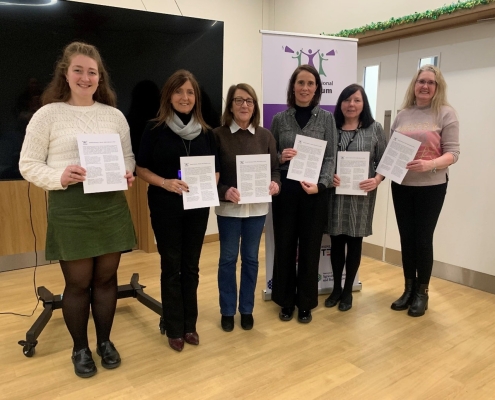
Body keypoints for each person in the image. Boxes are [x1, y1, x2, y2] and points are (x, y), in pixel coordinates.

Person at [19, 42, 136, 378]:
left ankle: (104, 342)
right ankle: (80, 348)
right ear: (66, 74)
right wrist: (59, 175)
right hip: (71, 207)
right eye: (79, 70)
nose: (86, 77)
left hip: (111, 205)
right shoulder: (48, 114)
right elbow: (28, 164)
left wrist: (126, 172)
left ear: (100, 78)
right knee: (77, 284)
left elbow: (127, 157)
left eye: (92, 72)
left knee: (106, 279)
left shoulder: (114, 115)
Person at [136, 70, 219, 351]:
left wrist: (209, 182)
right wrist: (165, 182)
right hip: (165, 205)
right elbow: (141, 168)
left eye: (190, 92)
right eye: (179, 91)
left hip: (196, 207)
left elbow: (216, 169)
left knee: (191, 266)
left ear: (196, 98)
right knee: (171, 266)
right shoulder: (154, 129)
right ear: (169, 95)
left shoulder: (206, 132)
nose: (185, 97)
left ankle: (189, 325)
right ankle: (173, 325)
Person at [390, 65, 460, 317]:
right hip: (401, 185)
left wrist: (429, 164)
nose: (425, 86)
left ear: (437, 87)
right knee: (406, 239)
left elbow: (453, 153)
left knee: (422, 239)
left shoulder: (445, 113)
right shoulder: (402, 115)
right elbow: (392, 151)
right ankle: (408, 289)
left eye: (431, 82)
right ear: (414, 84)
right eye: (421, 81)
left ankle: (422, 292)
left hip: (431, 186)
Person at [270, 64, 338, 323]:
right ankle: (285, 302)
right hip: (286, 189)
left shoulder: (327, 119)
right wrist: (280, 155)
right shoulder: (279, 119)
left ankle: (306, 302)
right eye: (301, 83)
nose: (305, 88)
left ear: (317, 88)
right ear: (293, 86)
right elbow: (271, 158)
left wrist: (320, 185)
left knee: (310, 247)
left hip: (313, 192)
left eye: (310, 83)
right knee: (285, 245)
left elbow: (331, 157)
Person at [213, 84, 280, 332]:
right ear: (230, 105)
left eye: (249, 101)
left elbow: (275, 169)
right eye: (239, 100)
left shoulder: (265, 136)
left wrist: (275, 184)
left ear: (255, 107)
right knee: (228, 260)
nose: (244, 105)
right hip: (229, 209)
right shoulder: (217, 135)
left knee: (251, 260)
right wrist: (224, 191)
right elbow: (211, 173)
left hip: (257, 209)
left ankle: (247, 309)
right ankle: (228, 310)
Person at [324, 84, 386, 311]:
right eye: (347, 100)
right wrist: (329, 176)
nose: (351, 105)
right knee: (337, 242)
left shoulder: (375, 128)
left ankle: (348, 289)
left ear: (363, 104)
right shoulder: (331, 127)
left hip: (362, 194)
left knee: (355, 242)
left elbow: (384, 161)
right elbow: (322, 158)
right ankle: (336, 289)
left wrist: (377, 179)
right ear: (340, 103)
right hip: (335, 193)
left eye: (357, 100)